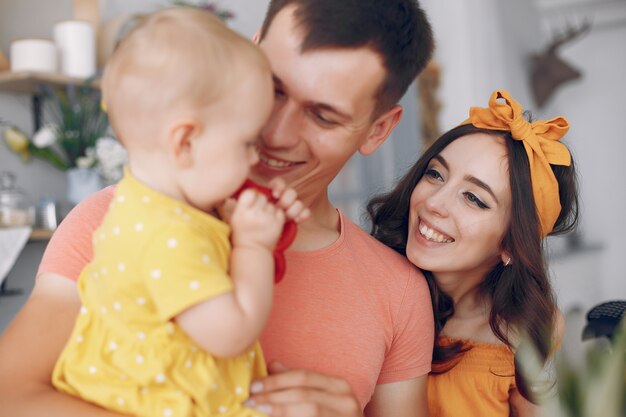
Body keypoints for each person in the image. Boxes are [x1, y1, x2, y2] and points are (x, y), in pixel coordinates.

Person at [0, 1, 436, 417]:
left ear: (378, 130)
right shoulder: (113, 222)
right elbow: (10, 398)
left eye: (323, 116)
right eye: (273, 88)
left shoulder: (398, 291)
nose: (276, 134)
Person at [49, 8, 309, 417]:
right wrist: (254, 244)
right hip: (163, 402)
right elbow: (231, 334)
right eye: (246, 142)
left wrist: (254, 223)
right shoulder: (168, 235)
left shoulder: (150, 205)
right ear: (185, 143)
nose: (258, 154)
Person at [367, 90, 578, 417]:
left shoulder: (525, 330)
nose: (434, 203)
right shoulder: (372, 287)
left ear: (510, 244)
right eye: (435, 174)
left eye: (474, 199)